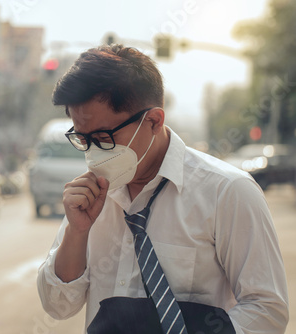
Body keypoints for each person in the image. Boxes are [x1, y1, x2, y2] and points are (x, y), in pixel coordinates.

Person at [37, 45, 289, 333]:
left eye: (104, 137)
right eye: (83, 139)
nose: (94, 153)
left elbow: (267, 309)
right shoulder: (90, 196)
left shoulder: (227, 192)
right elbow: (59, 306)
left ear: (154, 120)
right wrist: (76, 231)